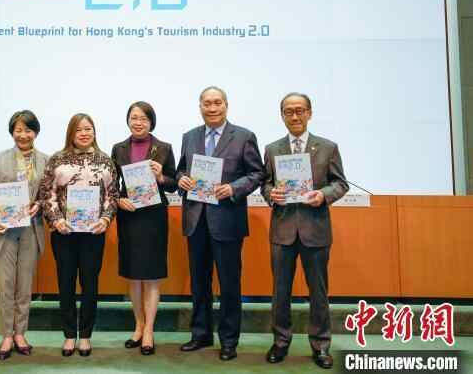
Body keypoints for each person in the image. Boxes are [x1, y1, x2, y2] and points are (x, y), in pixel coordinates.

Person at [176, 86, 264, 361]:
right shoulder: (189, 136)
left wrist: (234, 188)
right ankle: (200, 334)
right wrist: (181, 180)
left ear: (226, 105)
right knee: (199, 282)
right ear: (199, 106)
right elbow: (181, 170)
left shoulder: (244, 136)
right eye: (207, 103)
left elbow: (257, 173)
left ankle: (228, 340)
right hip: (196, 220)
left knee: (229, 283)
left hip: (227, 219)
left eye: (217, 103)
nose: (212, 108)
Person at [261, 92, 348, 370]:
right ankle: (280, 342)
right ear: (282, 115)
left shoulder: (328, 147)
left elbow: (340, 183)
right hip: (282, 230)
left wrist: (323, 195)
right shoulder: (272, 149)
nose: (295, 116)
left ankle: (321, 345)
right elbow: (265, 183)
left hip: (315, 229)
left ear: (309, 113)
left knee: (318, 292)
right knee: (280, 291)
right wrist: (270, 193)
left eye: (300, 110)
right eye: (289, 111)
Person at [39, 113, 118, 357]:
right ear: (71, 133)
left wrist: (105, 219)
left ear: (94, 132)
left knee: (90, 284)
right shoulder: (57, 159)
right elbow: (47, 194)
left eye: (88, 129)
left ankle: (85, 335)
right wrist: (56, 220)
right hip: (64, 233)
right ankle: (68, 335)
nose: (84, 133)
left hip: (93, 233)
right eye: (79, 130)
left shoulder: (105, 161)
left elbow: (112, 195)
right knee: (65, 284)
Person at [110, 101, 177, 355]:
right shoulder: (118, 148)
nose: (138, 122)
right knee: (134, 274)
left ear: (151, 122)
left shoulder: (164, 148)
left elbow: (174, 184)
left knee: (151, 274)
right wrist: (118, 200)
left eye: (143, 118)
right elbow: (111, 184)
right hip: (129, 216)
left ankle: (149, 329)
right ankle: (138, 326)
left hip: (154, 217)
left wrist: (161, 177)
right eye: (134, 118)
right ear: (128, 121)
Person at [0, 110, 49, 360]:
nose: (23, 135)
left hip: (31, 229)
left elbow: (47, 193)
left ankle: (20, 332)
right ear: (12, 132)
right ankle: (6, 335)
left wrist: (39, 205)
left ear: (36, 132)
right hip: (4, 231)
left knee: (24, 285)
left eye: (28, 130)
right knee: (6, 285)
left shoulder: (46, 160)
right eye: (18, 130)